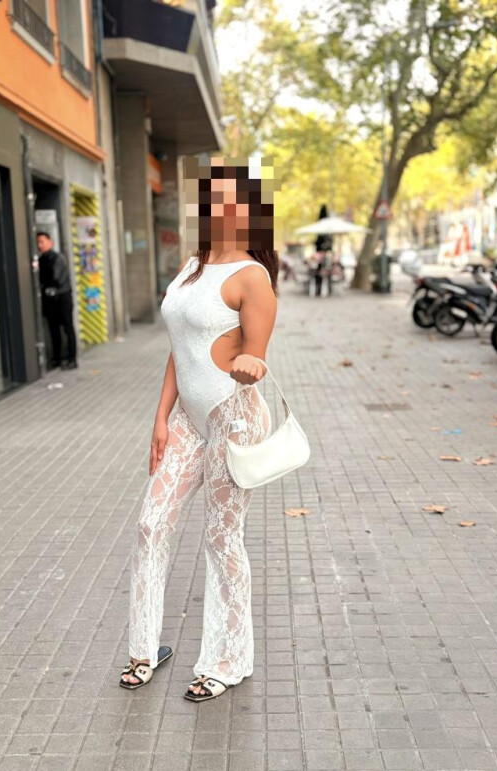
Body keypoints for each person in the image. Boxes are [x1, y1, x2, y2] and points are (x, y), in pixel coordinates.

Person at [119, 157, 278, 703]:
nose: (222, 208)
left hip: (233, 419)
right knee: (151, 524)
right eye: (214, 199)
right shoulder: (191, 268)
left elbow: (256, 353)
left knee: (221, 537)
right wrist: (160, 418)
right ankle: (144, 649)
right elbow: (179, 349)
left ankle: (227, 660)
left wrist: (253, 363)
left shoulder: (252, 277)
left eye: (234, 200)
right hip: (188, 418)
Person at [36, 232, 77, 370]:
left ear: (50, 242)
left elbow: (55, 277)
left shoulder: (57, 258)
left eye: (42, 242)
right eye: (38, 242)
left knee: (67, 328)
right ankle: (57, 358)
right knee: (53, 330)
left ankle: (72, 358)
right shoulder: (41, 260)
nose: (40, 245)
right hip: (50, 300)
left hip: (62, 297)